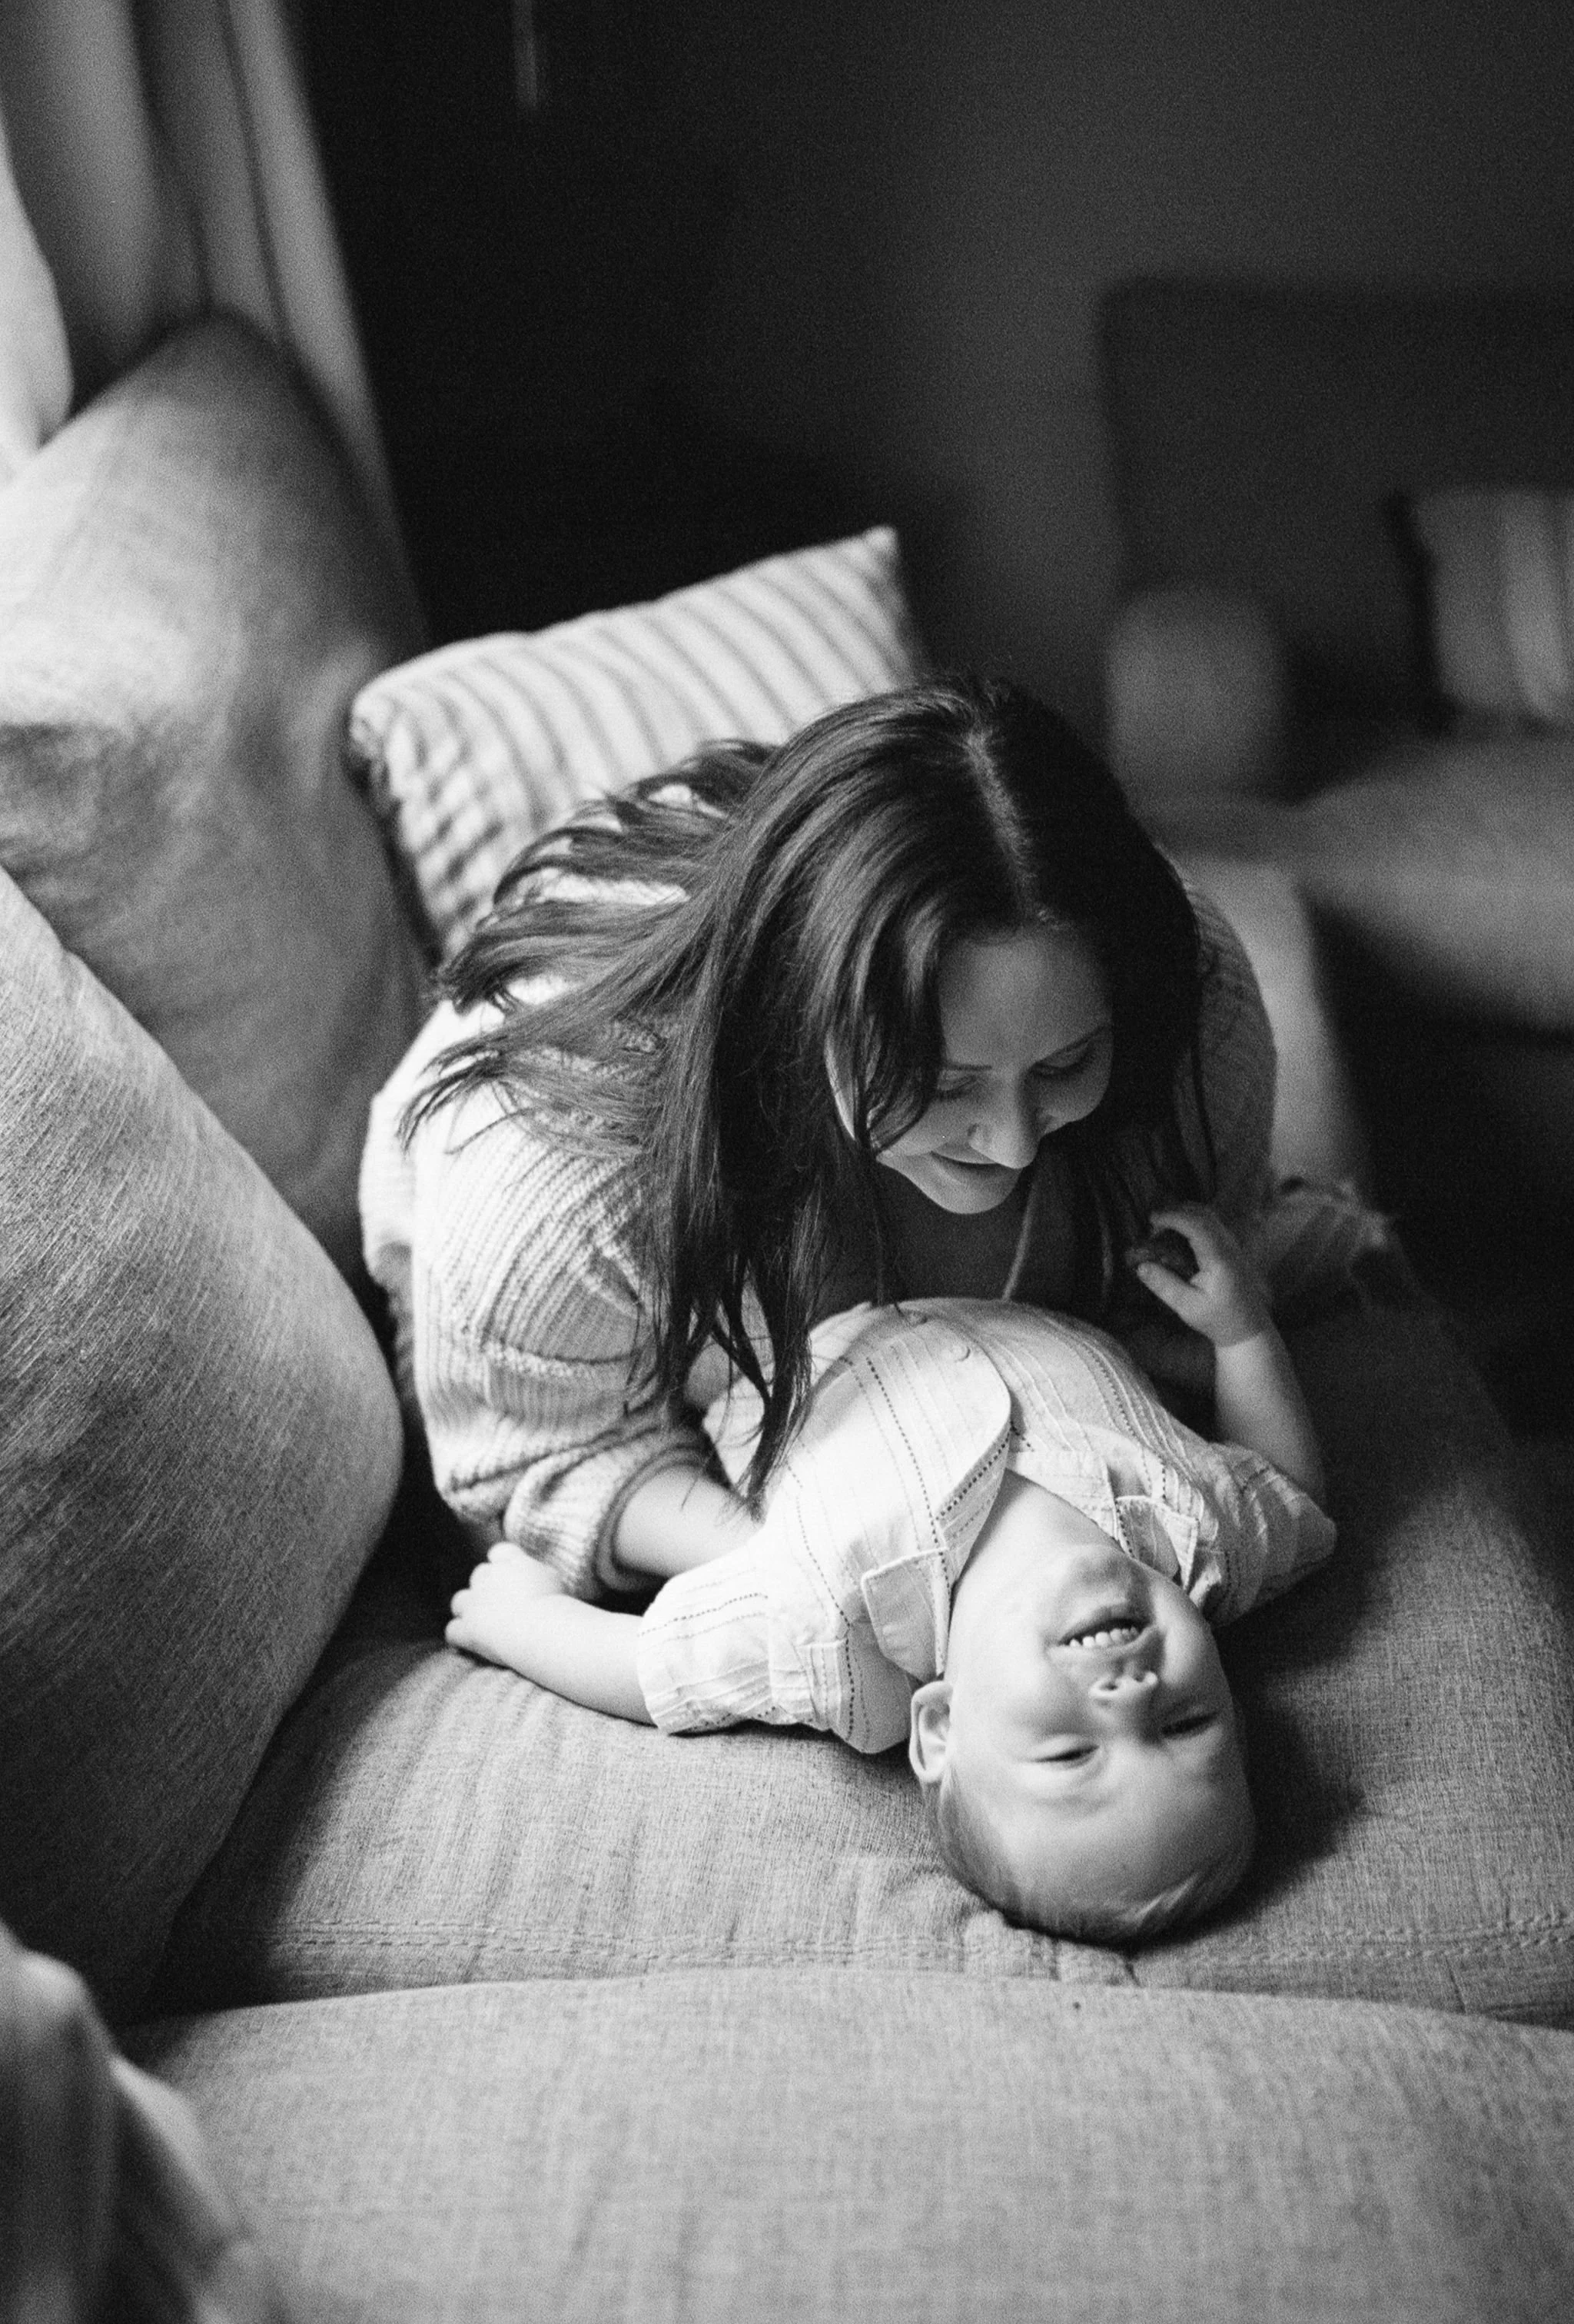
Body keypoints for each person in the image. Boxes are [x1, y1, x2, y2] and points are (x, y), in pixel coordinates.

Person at [361, 672, 1323, 1619]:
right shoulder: (555, 1169)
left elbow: (1200, 1309)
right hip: (522, 1372)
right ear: (796, 1016)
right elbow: (528, 1466)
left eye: (1066, 1063)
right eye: (942, 1085)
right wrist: (827, 1570)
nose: (1016, 1142)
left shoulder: (1194, 1006)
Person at [444, 1205, 1333, 1942]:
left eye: (1070, 1752)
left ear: (940, 1725)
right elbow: (1291, 1490)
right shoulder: (1207, 1543)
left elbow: (658, 1668)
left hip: (780, 1315)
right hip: (1009, 1261)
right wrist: (1243, 1334)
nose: (1130, 1695)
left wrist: (518, 1622)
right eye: (1185, 1721)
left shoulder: (834, 1635)